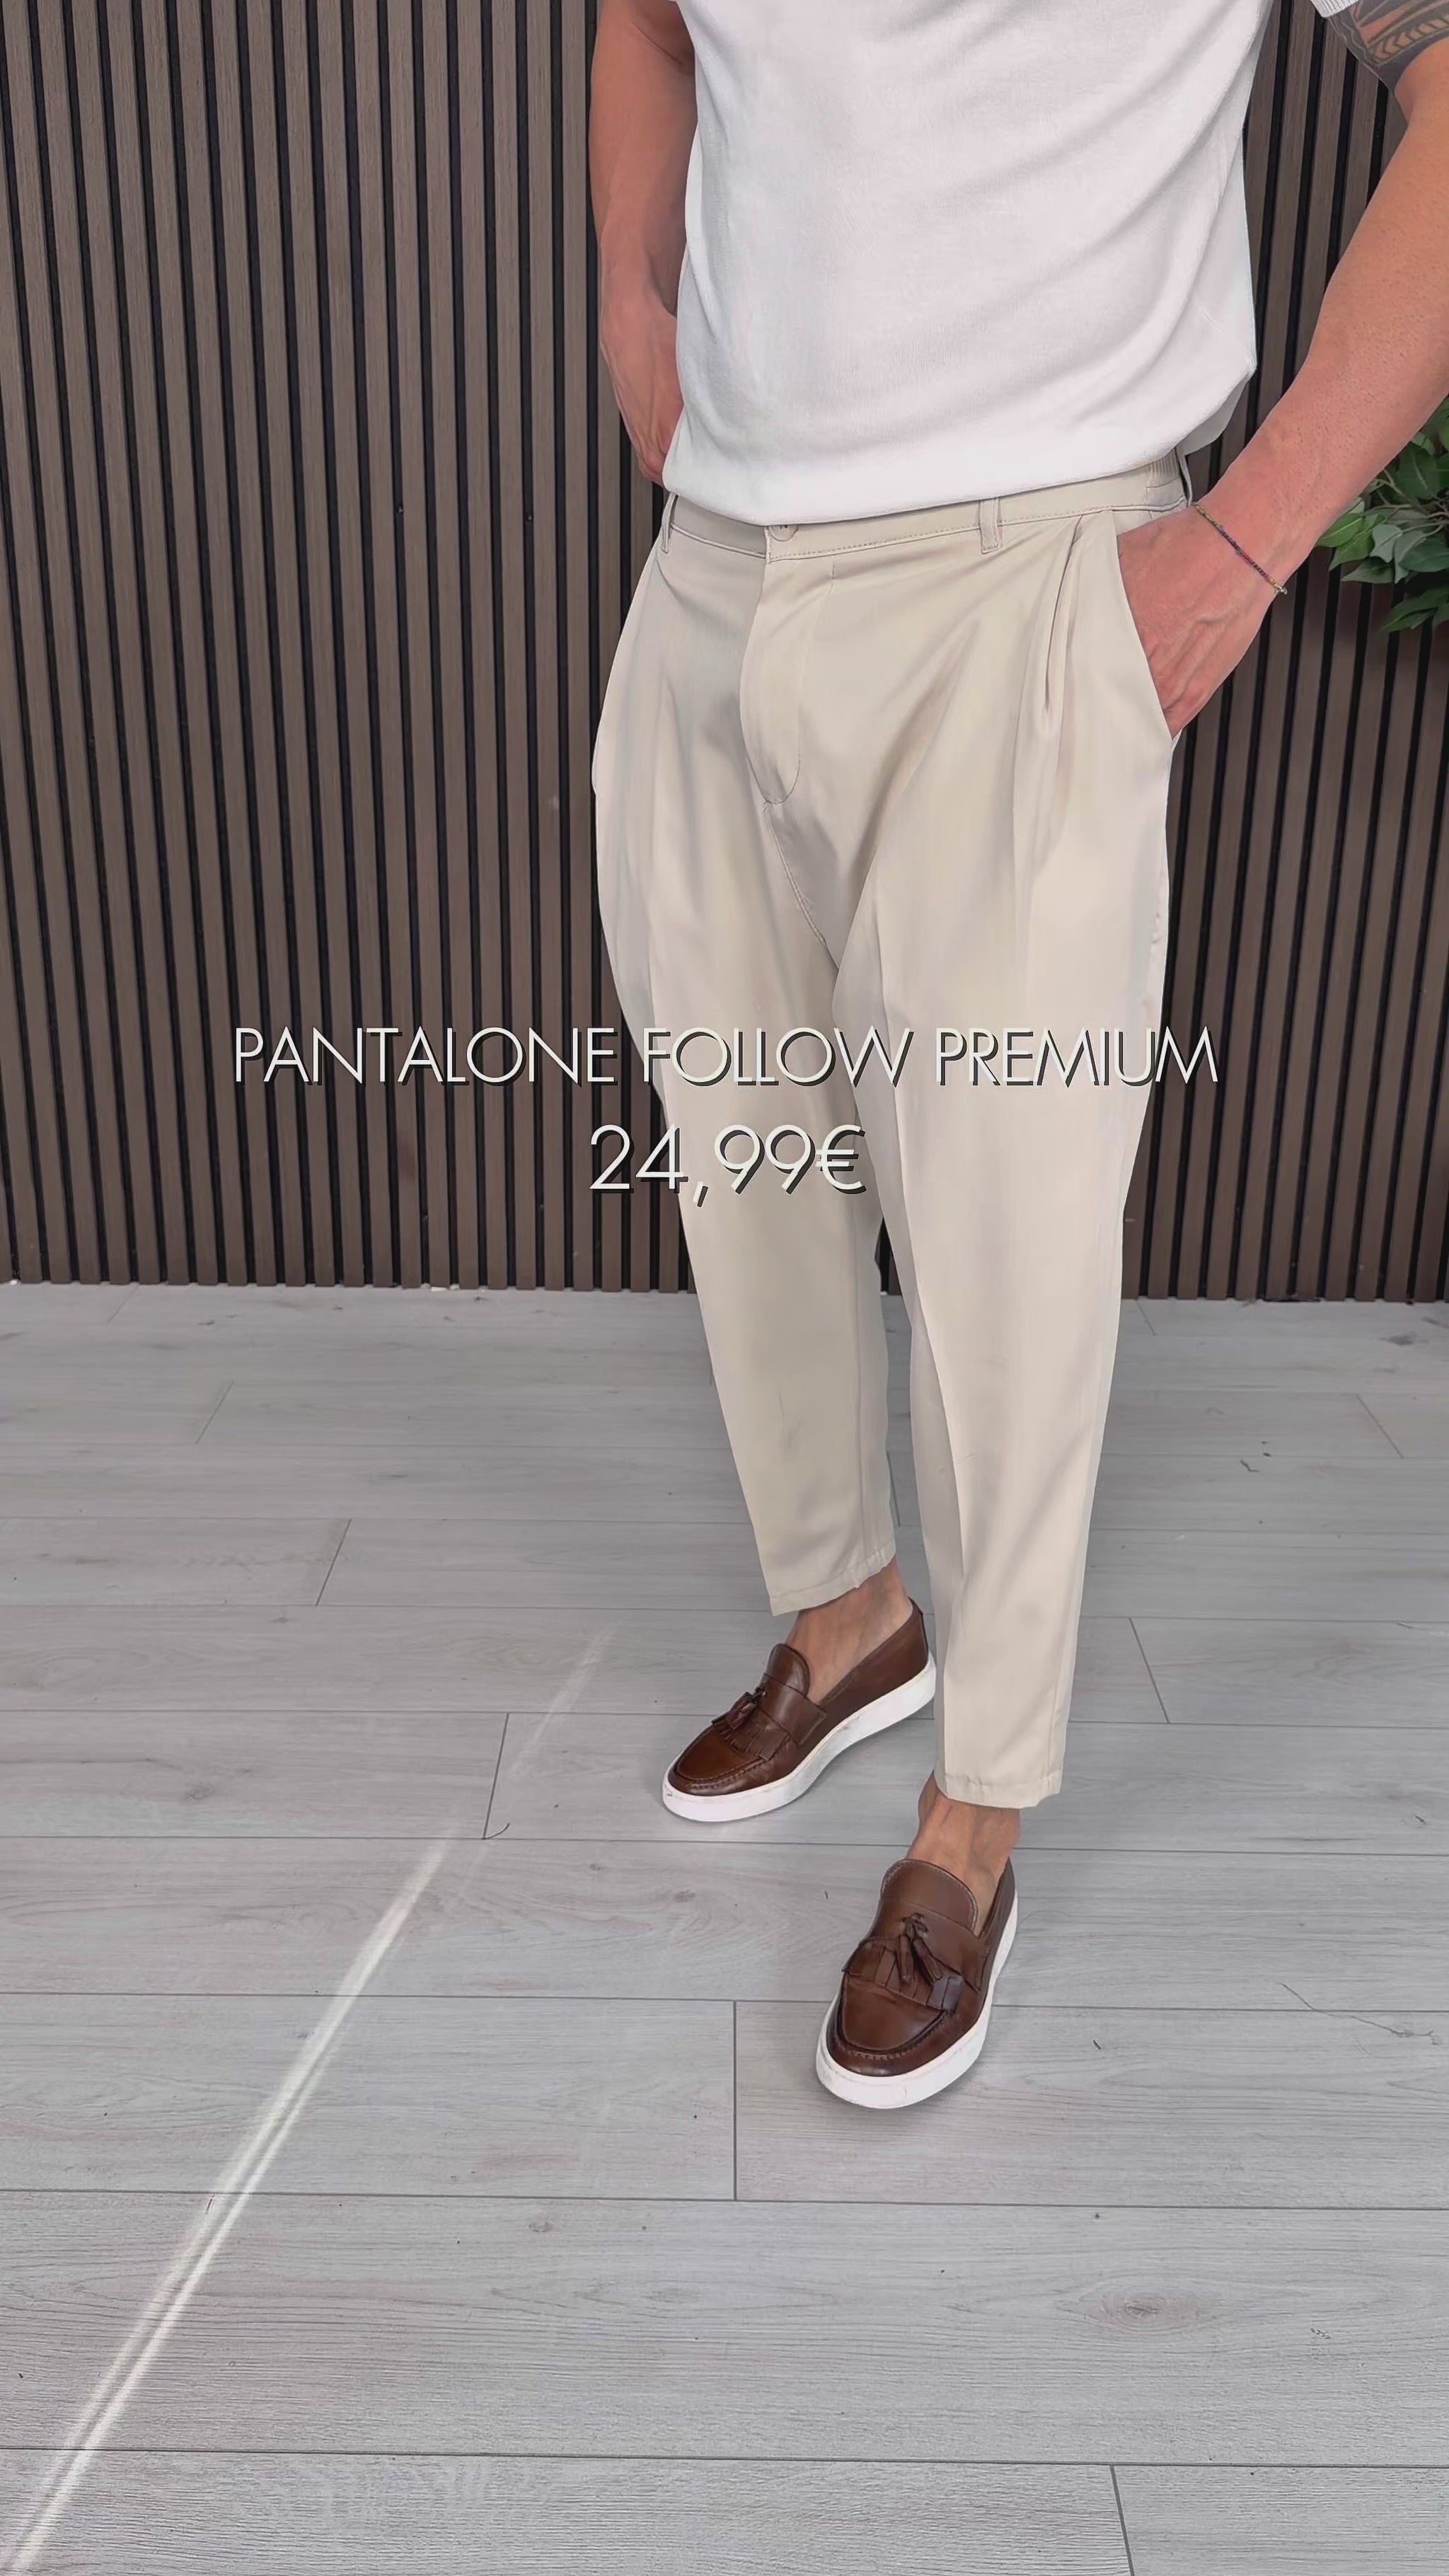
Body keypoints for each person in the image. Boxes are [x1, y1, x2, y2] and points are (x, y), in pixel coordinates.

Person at [588, 1, 1449, 2109]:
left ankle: (974, 1811)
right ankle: (848, 1612)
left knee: (1001, 1240)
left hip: (1024, 575)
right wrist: (633, 301)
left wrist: (1240, 544)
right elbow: (648, 18)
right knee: (746, 1153)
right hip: (718, 559)